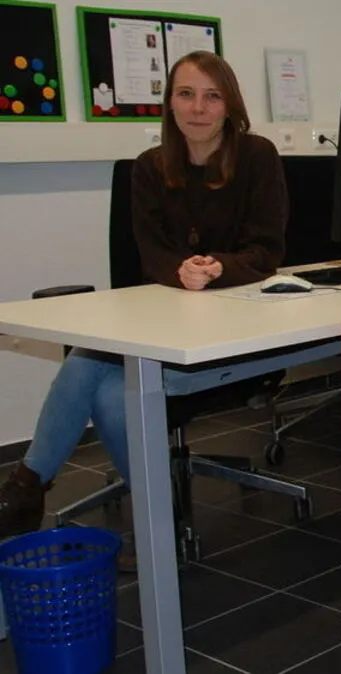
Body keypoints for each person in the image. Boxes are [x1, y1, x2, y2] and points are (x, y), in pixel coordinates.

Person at [0, 51, 288, 568]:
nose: (197, 107)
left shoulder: (257, 157)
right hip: (166, 319)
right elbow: (150, 252)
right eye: (185, 94)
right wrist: (179, 271)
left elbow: (266, 251)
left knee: (99, 372)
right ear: (169, 103)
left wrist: (218, 267)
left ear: (230, 105)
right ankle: (160, 523)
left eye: (211, 95)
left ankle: (28, 487)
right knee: (107, 384)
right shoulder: (150, 169)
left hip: (234, 331)